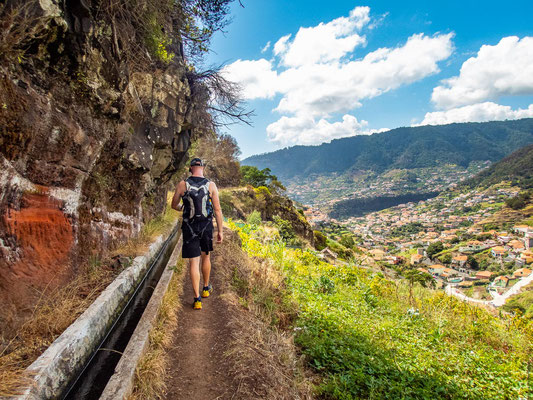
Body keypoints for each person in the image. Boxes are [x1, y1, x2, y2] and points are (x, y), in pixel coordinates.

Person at [171, 158, 224, 310]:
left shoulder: (183, 184)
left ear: (190, 168)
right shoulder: (211, 185)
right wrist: (220, 231)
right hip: (206, 227)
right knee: (206, 257)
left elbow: (174, 205)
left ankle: (197, 299)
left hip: (190, 228)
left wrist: (183, 209)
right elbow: (218, 210)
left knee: (194, 262)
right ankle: (206, 288)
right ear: (203, 168)